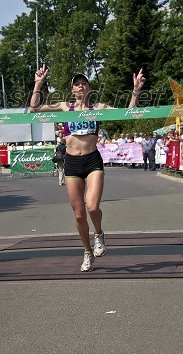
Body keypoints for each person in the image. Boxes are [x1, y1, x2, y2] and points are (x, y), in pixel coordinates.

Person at [30, 65, 145, 272]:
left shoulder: (98, 107)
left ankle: (99, 233)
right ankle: (86, 252)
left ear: (89, 87)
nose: (81, 87)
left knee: (92, 207)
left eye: (84, 83)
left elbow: (128, 114)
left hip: (92, 160)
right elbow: (34, 109)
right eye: (77, 84)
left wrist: (135, 90)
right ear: (72, 90)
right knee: (79, 215)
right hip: (72, 162)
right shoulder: (66, 107)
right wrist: (39, 83)